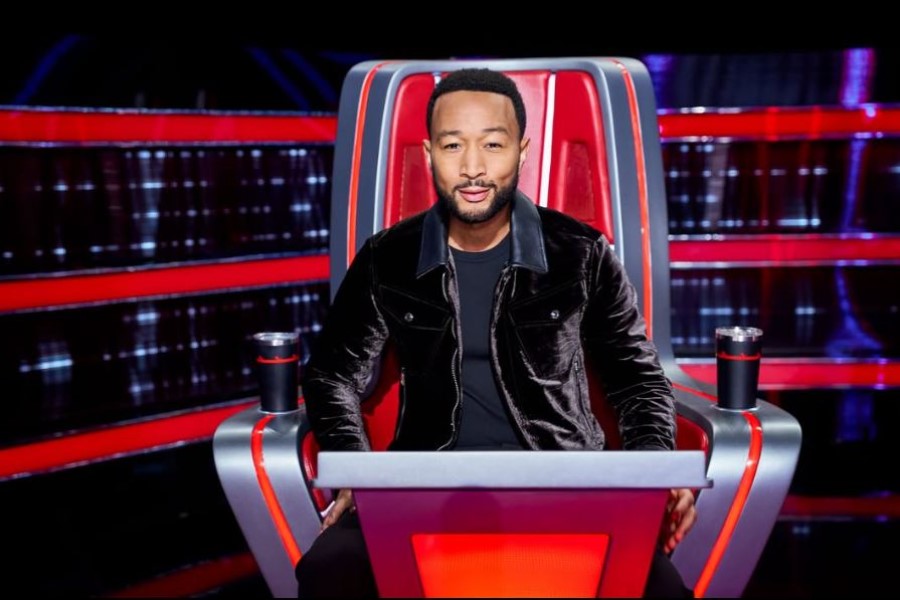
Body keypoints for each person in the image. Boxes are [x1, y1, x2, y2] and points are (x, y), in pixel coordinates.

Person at [296, 67, 696, 598]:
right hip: (423, 483)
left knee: (660, 588)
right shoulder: (385, 257)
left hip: (563, 481)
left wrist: (653, 471)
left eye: (492, 144)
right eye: (453, 145)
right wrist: (356, 472)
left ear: (522, 151)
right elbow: (330, 374)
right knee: (327, 569)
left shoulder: (581, 253)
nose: (473, 168)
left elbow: (636, 379)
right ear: (429, 153)